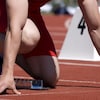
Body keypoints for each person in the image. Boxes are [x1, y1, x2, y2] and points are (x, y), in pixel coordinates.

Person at [0, 0, 59, 94]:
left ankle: (3, 54)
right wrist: (7, 74)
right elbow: (14, 27)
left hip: (28, 11)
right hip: (7, 8)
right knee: (29, 37)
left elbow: (92, 27)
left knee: (49, 76)